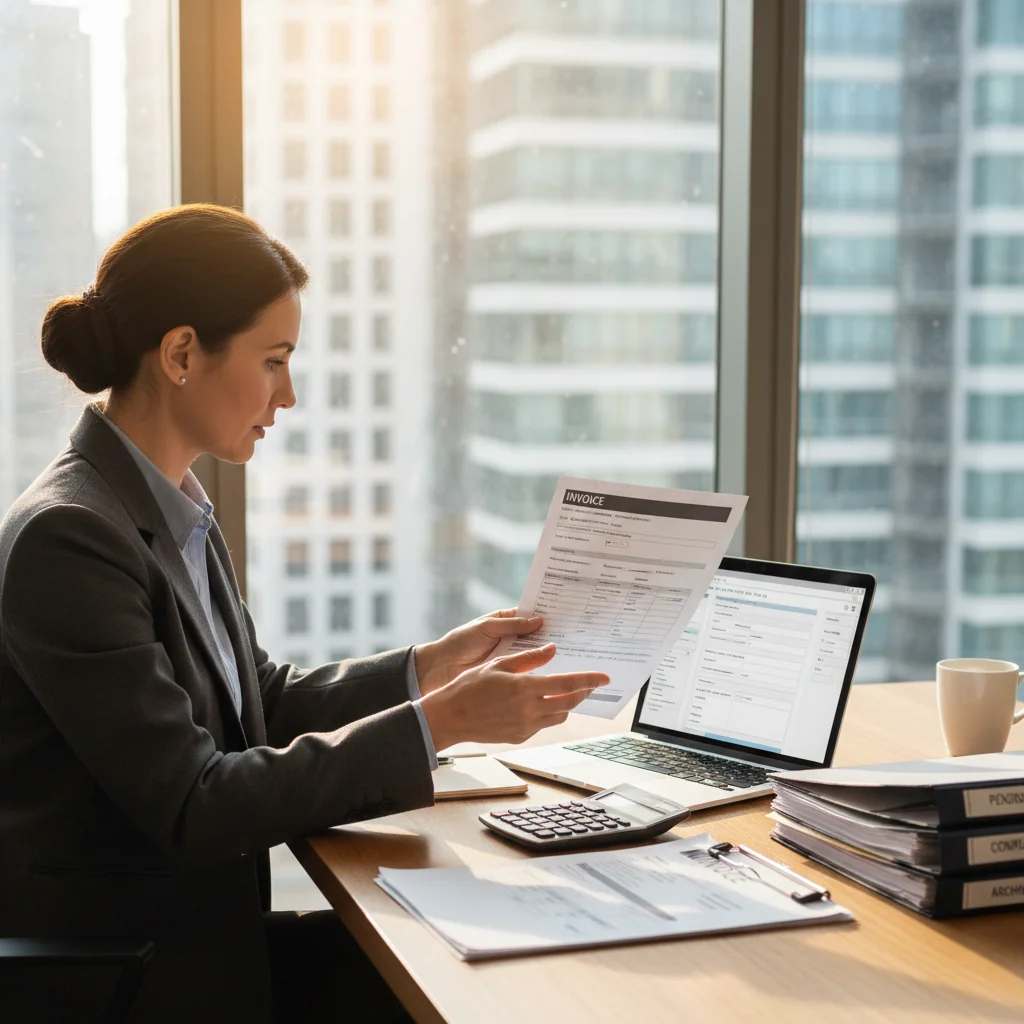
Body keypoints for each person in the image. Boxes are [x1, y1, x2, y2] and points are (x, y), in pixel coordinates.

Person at [0, 204, 608, 1022]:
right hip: (137, 975)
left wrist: (431, 667)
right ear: (182, 353)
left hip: (204, 936)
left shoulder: (165, 506)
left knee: (489, 967)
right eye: (275, 360)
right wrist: (437, 725)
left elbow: (259, 701)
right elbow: (194, 801)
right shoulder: (71, 536)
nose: (289, 394)